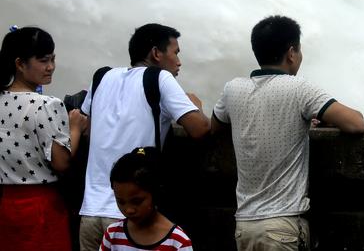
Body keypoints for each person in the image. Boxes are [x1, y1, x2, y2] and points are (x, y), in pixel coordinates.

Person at [212, 15, 364, 251]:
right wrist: (324, 118)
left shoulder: (232, 89)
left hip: (244, 225)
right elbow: (355, 123)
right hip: (283, 227)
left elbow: (215, 127)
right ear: (291, 52)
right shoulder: (298, 88)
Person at [79, 24, 210, 251]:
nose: (179, 61)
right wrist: (196, 107)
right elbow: (199, 129)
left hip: (90, 213)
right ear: (156, 53)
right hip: (131, 217)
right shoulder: (160, 78)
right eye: (175, 52)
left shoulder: (101, 76)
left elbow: (87, 129)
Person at [0, 26, 88, 251]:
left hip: (6, 206)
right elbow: (61, 163)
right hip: (42, 207)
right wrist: (75, 129)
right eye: (43, 60)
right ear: (19, 63)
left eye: (53, 59)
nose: (51, 67)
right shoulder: (47, 104)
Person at [101, 147, 193, 250]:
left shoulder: (178, 242)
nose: (129, 210)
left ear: (155, 193)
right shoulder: (112, 235)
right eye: (121, 202)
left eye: (137, 201)